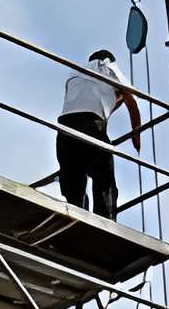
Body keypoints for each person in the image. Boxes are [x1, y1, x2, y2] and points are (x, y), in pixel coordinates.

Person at [57, 46, 144, 218]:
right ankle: (105, 220)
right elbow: (132, 105)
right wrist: (136, 138)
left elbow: (93, 102)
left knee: (74, 180)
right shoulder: (110, 69)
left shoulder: (75, 73)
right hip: (91, 125)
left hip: (64, 128)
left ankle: (76, 217)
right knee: (104, 178)